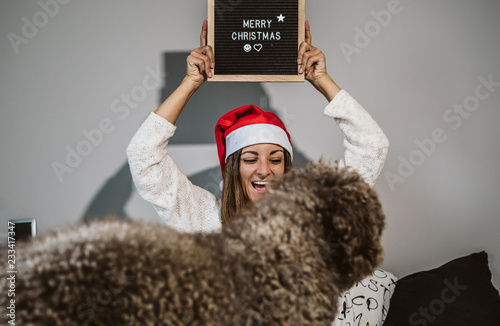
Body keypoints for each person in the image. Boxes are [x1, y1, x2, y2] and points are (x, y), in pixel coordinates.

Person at [126, 20, 389, 233]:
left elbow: (372, 145)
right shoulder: (204, 220)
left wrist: (321, 81)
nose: (264, 171)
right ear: (233, 166)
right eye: (251, 159)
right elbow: (142, 156)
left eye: (275, 159)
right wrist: (190, 83)